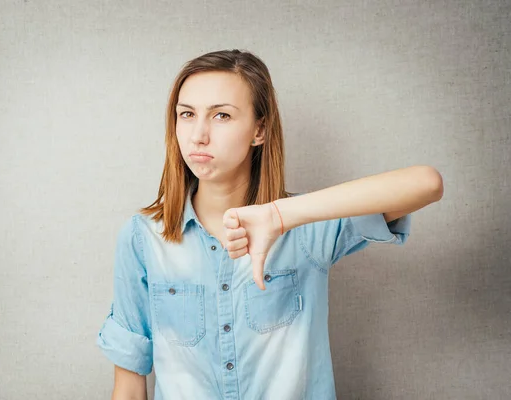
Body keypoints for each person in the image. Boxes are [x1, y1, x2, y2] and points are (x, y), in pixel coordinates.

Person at [97, 49, 444, 400]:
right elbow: (128, 387)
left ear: (259, 129)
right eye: (187, 114)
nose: (198, 135)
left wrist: (280, 215)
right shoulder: (143, 238)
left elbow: (426, 184)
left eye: (221, 115)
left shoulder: (308, 228)